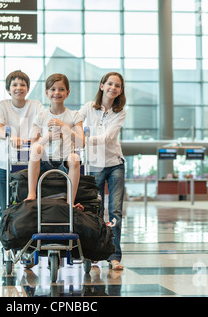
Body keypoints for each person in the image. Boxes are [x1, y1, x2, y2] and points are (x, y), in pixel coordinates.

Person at [79, 72, 127, 271]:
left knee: (115, 210)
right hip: (94, 164)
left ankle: (114, 256)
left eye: (117, 85)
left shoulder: (120, 112)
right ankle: (95, 252)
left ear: (120, 90)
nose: (113, 88)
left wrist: (82, 139)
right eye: (109, 84)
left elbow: (108, 138)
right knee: (94, 209)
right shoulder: (88, 108)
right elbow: (75, 124)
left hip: (114, 163)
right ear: (101, 86)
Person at [25, 73, 85, 210]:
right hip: (45, 161)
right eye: (53, 89)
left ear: (67, 93)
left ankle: (70, 202)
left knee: (75, 157)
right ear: (47, 93)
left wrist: (64, 127)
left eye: (61, 89)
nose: (57, 92)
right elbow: (33, 145)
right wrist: (48, 137)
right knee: (36, 149)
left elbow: (82, 143)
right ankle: (31, 194)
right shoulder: (40, 117)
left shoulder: (75, 115)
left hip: (65, 161)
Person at [0, 70, 43, 217]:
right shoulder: (2, 105)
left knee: (28, 205)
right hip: (7, 163)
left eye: (23, 85)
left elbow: (41, 125)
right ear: (8, 89)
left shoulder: (35, 105)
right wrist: (11, 138)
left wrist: (34, 140)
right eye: (14, 84)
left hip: (30, 163)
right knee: (5, 207)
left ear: (28, 89)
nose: (19, 88)